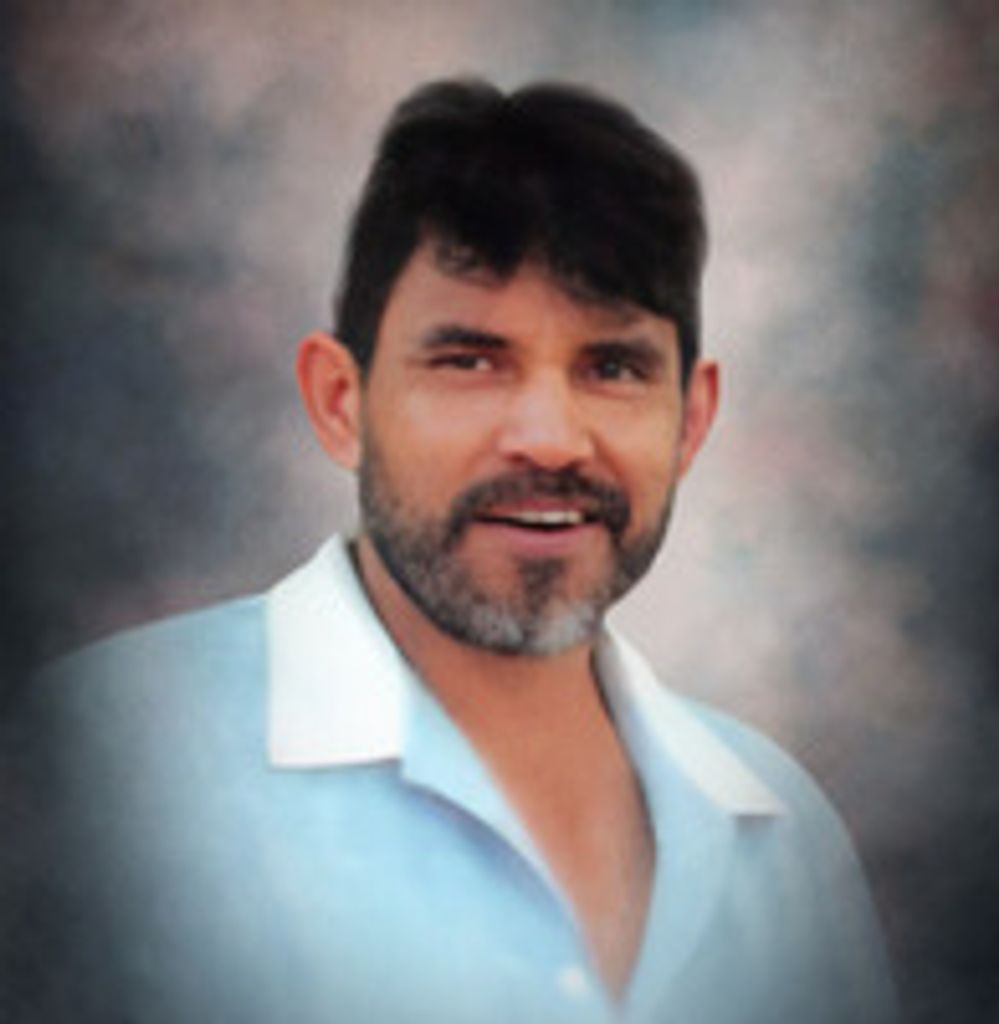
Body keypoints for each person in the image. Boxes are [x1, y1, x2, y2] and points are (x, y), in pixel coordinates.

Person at [6, 79, 899, 1023]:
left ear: (691, 420)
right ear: (341, 403)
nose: (550, 439)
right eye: (470, 361)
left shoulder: (781, 834)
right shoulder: (102, 765)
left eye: (612, 367)